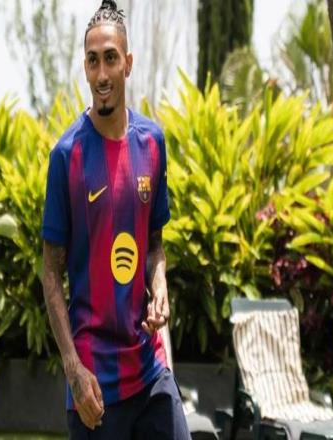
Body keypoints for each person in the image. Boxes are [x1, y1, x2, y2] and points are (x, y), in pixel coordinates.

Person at [41, 1, 190, 438]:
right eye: (93, 61)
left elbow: (154, 244)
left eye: (110, 58)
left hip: (149, 367)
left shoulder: (153, 143)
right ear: (85, 69)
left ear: (128, 63)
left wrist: (159, 285)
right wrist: (73, 370)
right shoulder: (67, 156)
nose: (102, 74)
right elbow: (50, 273)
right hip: (94, 383)